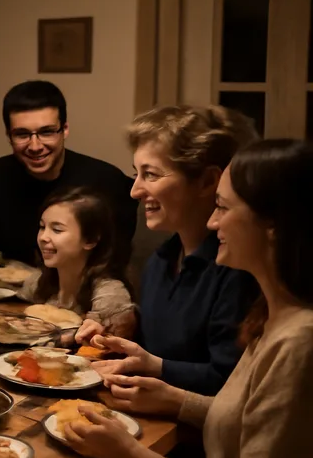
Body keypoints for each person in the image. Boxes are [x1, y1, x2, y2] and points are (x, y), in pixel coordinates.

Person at [62, 139, 313, 458]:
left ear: (272, 224)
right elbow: (249, 422)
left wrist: (131, 456)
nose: (212, 222)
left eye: (223, 208)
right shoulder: (272, 316)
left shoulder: (298, 342)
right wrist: (177, 401)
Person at [79, 105, 261, 395]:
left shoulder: (237, 270)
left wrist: (154, 366)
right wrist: (119, 331)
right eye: (136, 173)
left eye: (150, 175)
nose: (135, 190)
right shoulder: (161, 260)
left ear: (207, 182)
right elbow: (162, 343)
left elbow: (229, 382)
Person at [0, 80, 138, 267]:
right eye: (22, 134)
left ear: (64, 129)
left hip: (84, 291)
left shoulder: (106, 181)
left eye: (47, 132)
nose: (35, 146)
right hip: (10, 291)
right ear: (9, 136)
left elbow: (119, 258)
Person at [19, 187, 137, 339]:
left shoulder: (110, 296)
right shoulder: (36, 282)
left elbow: (115, 353)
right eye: (42, 227)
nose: (43, 237)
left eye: (57, 230)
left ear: (90, 239)